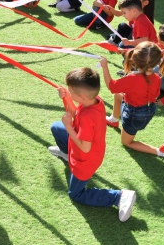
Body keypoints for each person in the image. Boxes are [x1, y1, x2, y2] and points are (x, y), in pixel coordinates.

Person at [48, 67, 137, 222]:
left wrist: (68, 126)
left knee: (76, 194)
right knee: (57, 127)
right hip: (84, 148)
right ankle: (67, 155)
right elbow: (76, 114)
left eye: (71, 91)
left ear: (81, 96)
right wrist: (69, 98)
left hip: (85, 159)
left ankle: (119, 197)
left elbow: (84, 147)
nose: (68, 92)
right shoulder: (94, 101)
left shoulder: (88, 117)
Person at [100, 43, 164, 161]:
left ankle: (161, 152)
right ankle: (114, 119)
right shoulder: (157, 77)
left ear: (135, 58)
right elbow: (156, 94)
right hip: (148, 109)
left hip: (135, 115)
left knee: (127, 142)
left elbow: (111, 86)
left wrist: (104, 67)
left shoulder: (132, 78)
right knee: (118, 96)